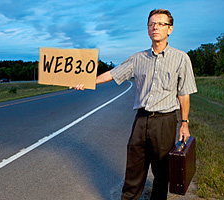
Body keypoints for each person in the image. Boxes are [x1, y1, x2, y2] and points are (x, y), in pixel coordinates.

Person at [75, 8, 197, 200]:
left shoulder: (181, 58)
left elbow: (184, 94)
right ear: (147, 29)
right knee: (134, 168)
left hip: (165, 121)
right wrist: (89, 81)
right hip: (141, 120)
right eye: (151, 24)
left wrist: (184, 123)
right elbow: (114, 73)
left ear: (170, 29)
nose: (155, 27)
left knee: (161, 172)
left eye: (160, 24)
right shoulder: (138, 58)